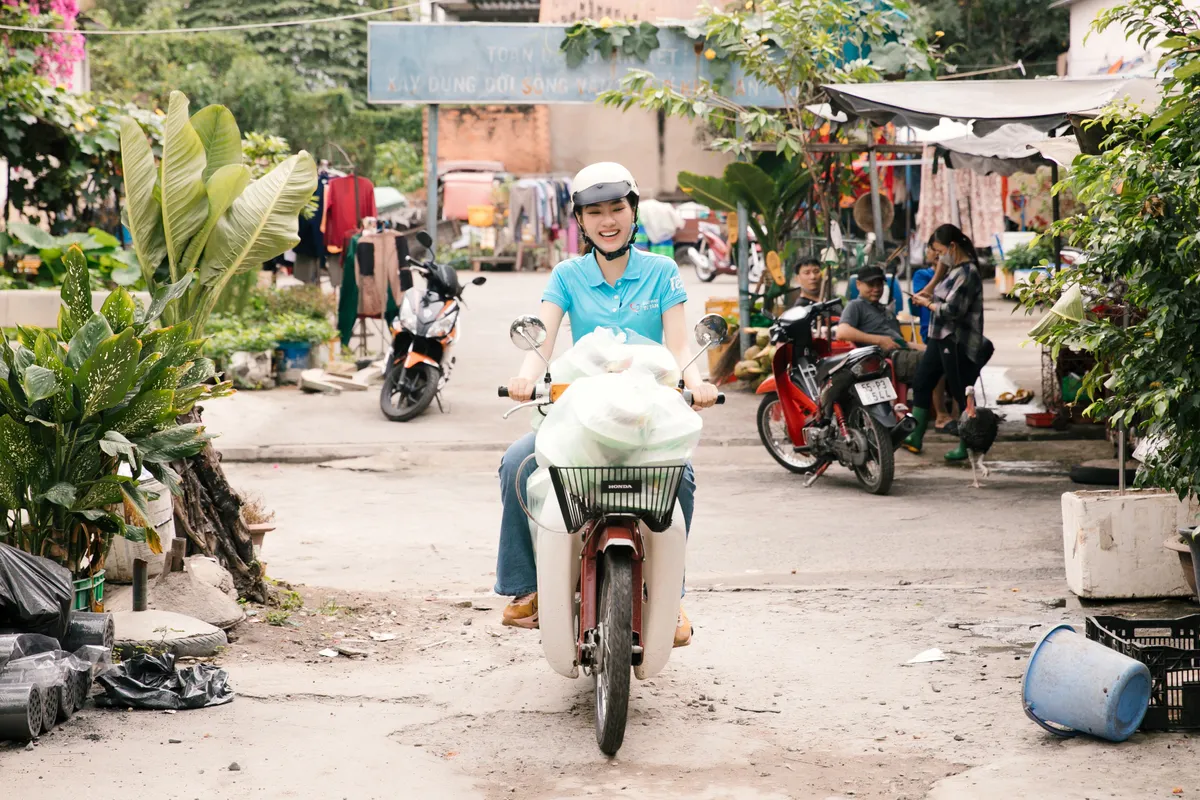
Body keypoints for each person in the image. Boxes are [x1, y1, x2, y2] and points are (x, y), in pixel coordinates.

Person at [497, 162, 719, 646]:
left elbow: (681, 346)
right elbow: (544, 342)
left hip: (646, 417)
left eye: (616, 207)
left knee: (679, 478)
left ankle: (670, 595)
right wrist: (524, 378)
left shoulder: (661, 272)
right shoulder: (567, 275)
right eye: (594, 211)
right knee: (517, 463)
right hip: (581, 411)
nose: (607, 220)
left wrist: (697, 382)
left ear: (633, 210)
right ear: (579, 220)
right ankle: (527, 587)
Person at [904, 224, 990, 460]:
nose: (938, 257)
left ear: (952, 247)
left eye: (940, 251)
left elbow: (952, 310)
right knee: (922, 383)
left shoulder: (967, 273)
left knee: (961, 392)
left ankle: (966, 446)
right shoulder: (953, 270)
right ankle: (915, 436)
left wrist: (927, 304)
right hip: (938, 336)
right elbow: (938, 286)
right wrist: (930, 290)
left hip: (955, 340)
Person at [836, 266, 925, 355]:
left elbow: (903, 343)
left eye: (879, 285)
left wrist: (927, 350)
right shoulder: (856, 305)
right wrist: (879, 340)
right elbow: (842, 332)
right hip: (884, 359)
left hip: (903, 352)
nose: (876, 289)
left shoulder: (886, 311)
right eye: (871, 285)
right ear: (858, 284)